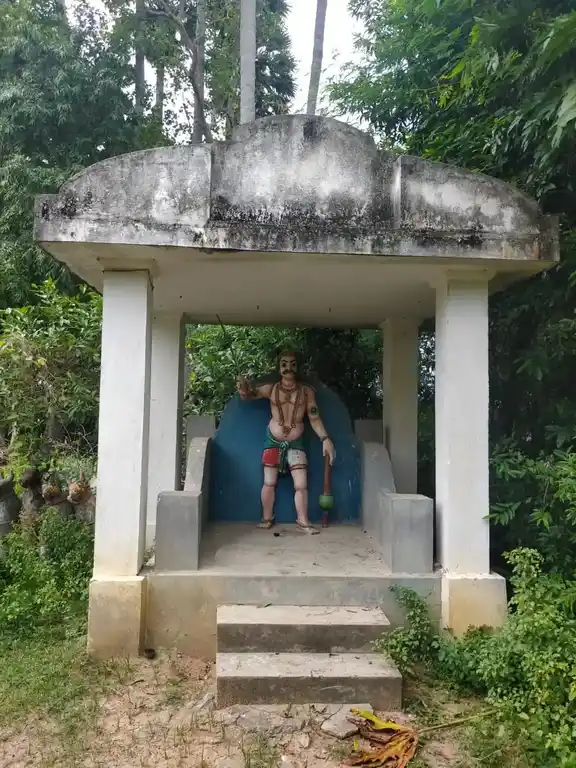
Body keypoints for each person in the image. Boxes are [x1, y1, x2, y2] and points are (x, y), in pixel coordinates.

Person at [236, 350, 335, 534]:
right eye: (284, 363)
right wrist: (244, 387)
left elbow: (314, 417)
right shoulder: (271, 389)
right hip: (273, 441)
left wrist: (325, 438)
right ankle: (266, 518)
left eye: (292, 363)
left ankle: (303, 520)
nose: (288, 367)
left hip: (296, 443)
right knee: (269, 482)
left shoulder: (306, 393)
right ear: (279, 366)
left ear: (297, 366)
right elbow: (249, 394)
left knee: (301, 484)